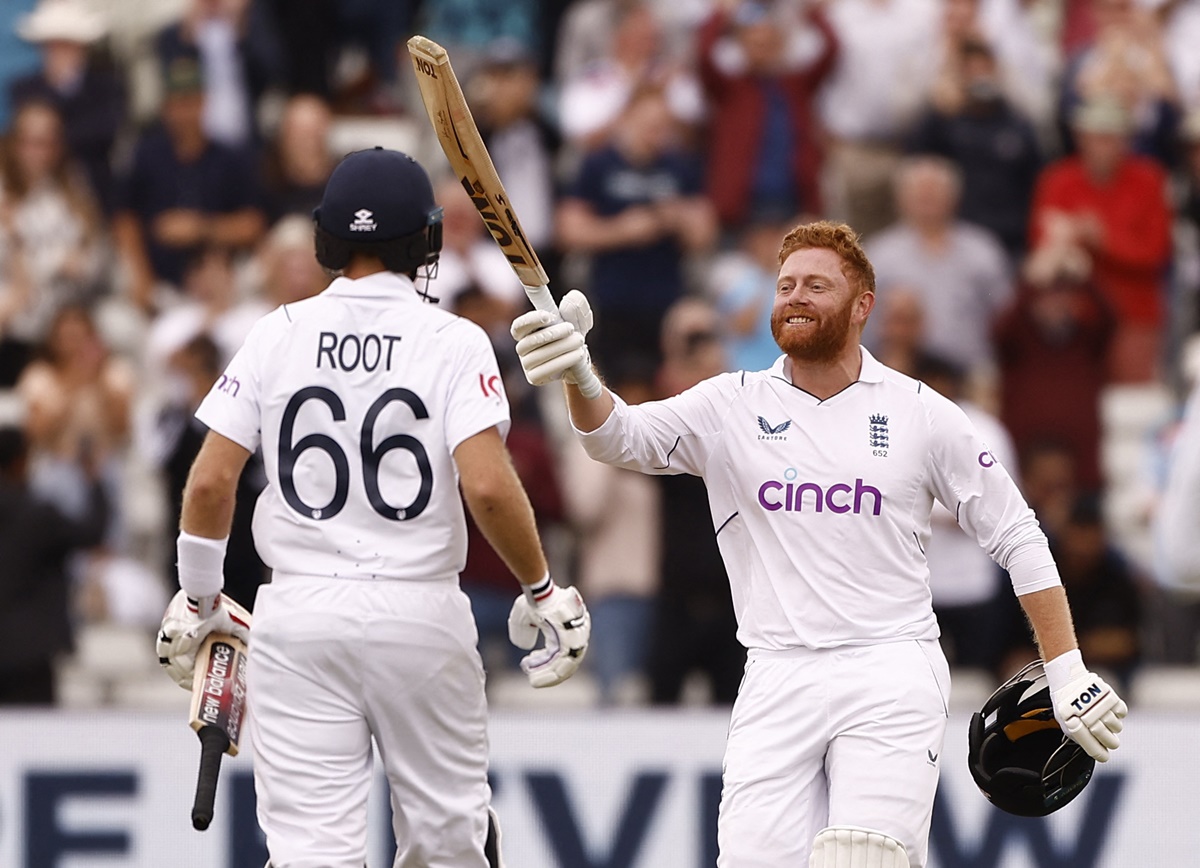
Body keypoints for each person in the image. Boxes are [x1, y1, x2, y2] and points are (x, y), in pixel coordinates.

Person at [510, 219, 1126, 866]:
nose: (795, 296)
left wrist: (1067, 668)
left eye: (816, 285)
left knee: (862, 858)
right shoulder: (731, 404)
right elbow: (616, 437)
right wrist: (579, 374)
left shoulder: (923, 412)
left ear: (863, 306)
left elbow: (1018, 535)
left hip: (889, 667)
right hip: (776, 671)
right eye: (785, 285)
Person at [154, 148, 591, 866]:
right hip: (419, 612)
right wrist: (541, 587)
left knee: (310, 854)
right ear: (425, 242)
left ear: (326, 240)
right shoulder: (454, 340)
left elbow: (208, 484)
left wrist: (201, 600)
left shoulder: (275, 332)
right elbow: (485, 485)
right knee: (449, 846)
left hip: (299, 615)